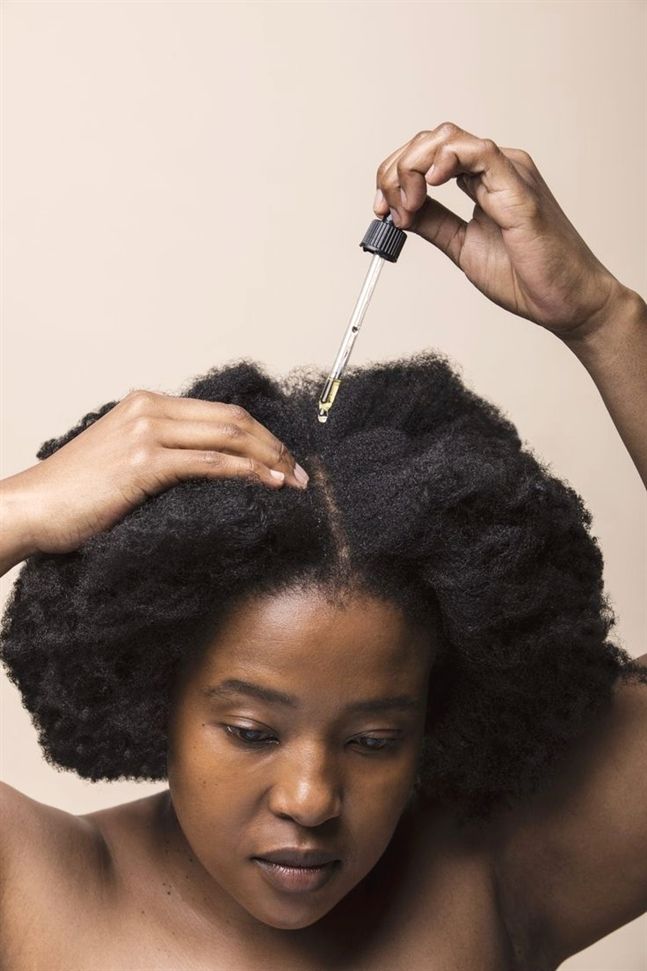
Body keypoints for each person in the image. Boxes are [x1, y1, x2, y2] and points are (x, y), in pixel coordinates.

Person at [0, 122, 645, 970]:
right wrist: (20, 507)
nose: (310, 800)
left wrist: (604, 317)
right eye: (249, 729)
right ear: (157, 693)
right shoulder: (37, 894)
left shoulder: (495, 879)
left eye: (375, 739)